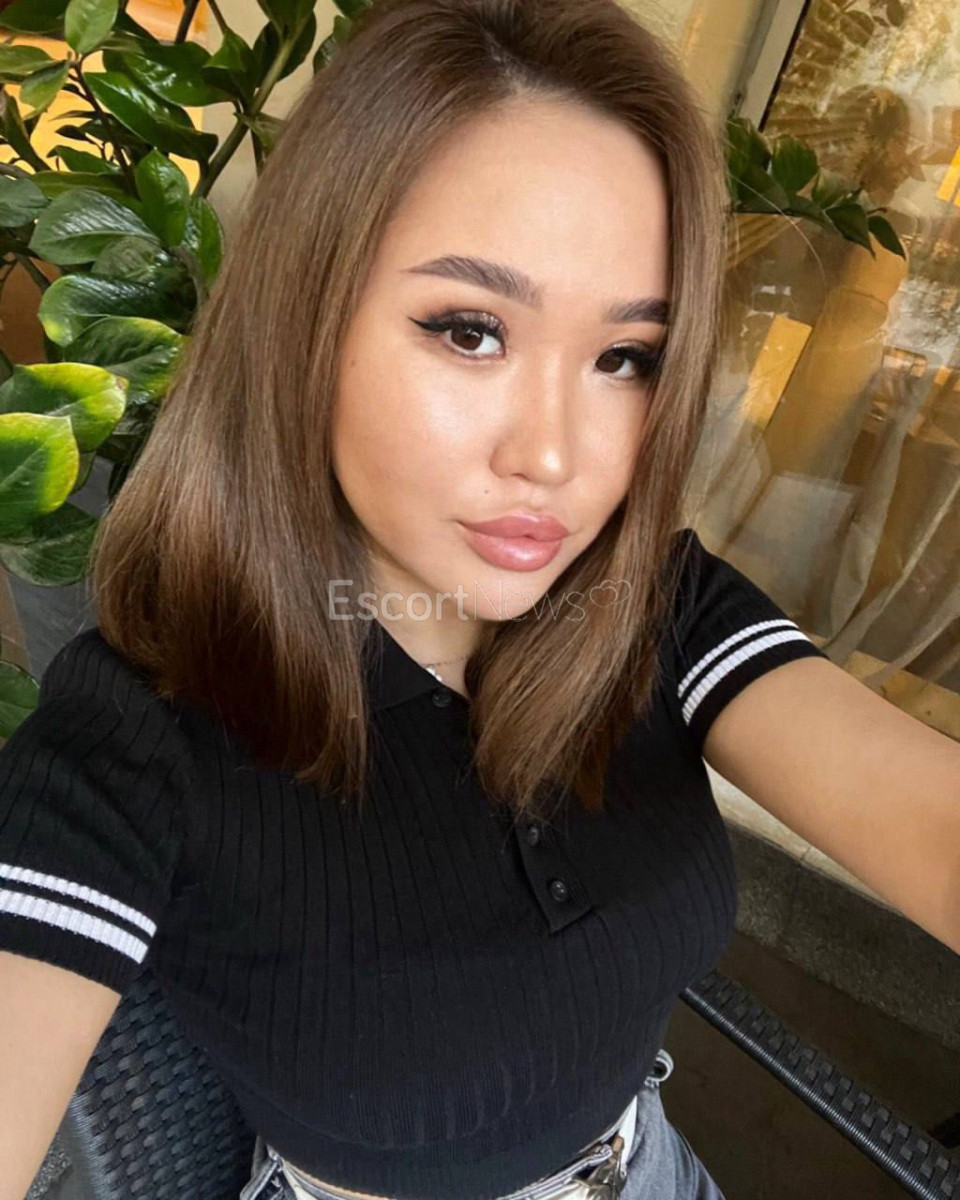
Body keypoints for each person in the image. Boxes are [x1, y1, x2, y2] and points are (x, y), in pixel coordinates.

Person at [3, 2, 959, 1199]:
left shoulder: (652, 602)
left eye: (625, 358)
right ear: (303, 322)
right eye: (469, 331)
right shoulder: (144, 736)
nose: (553, 455)